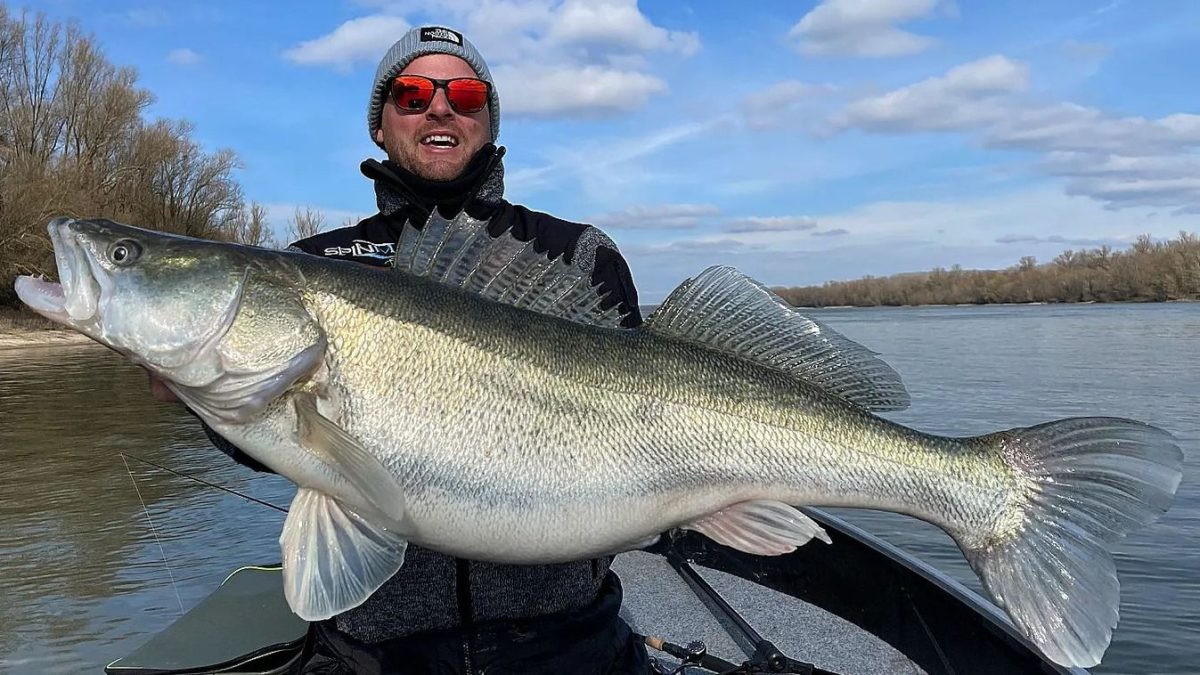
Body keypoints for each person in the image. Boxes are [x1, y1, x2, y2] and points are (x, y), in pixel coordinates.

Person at [150, 25, 649, 675]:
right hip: (376, 653)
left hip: (569, 641)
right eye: (412, 94)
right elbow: (268, 443)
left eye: (465, 94)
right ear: (380, 126)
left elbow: (643, 423)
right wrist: (198, 387)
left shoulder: (579, 255)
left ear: (487, 124)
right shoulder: (314, 265)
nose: (439, 107)